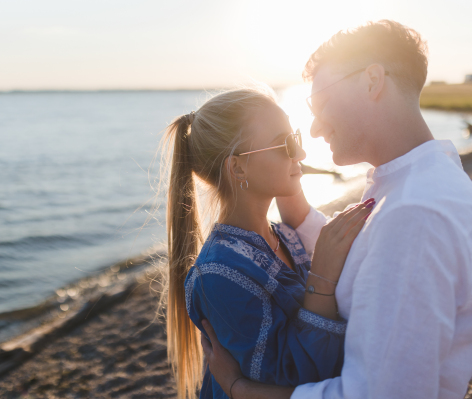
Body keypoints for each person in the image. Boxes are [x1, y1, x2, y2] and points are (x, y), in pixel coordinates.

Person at [200, 20, 472, 399]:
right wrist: (287, 185)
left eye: (321, 103)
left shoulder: (413, 216)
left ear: (372, 81)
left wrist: (239, 388)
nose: (312, 131)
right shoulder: (419, 183)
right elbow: (366, 251)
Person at [159, 85, 373, 399]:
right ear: (238, 167)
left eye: (295, 138)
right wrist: (322, 278)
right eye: (284, 144)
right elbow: (295, 376)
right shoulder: (218, 273)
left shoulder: (285, 236)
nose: (300, 154)